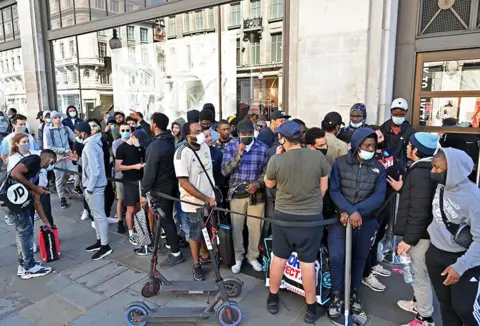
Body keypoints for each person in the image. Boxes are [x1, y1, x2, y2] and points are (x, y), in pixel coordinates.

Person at [265, 121, 330, 324]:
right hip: (311, 219)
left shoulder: (277, 159)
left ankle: (273, 298)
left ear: (283, 139)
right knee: (308, 263)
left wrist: (278, 158)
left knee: (279, 258)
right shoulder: (317, 156)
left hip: (283, 216)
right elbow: (323, 188)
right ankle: (311, 309)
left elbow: (269, 183)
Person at [328, 127, 386, 323]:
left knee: (359, 259)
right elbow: (334, 190)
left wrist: (357, 211)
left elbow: (379, 196)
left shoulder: (379, 168)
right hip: (341, 219)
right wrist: (348, 210)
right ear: (356, 145)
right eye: (367, 145)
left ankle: (353, 294)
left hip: (365, 221)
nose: (371, 149)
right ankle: (337, 295)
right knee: (337, 257)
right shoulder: (340, 164)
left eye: (373, 145)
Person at [386, 132, 439, 326]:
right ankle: (418, 303)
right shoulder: (425, 169)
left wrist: (408, 240)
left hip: (420, 236)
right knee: (419, 272)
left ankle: (425, 318)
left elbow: (419, 211)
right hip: (423, 233)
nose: (407, 147)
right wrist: (403, 188)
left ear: (417, 150)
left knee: (419, 275)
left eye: (410, 145)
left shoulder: (420, 173)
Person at [426, 148, 480, 326]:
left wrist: (460, 267)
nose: (433, 171)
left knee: (464, 309)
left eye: (437, 168)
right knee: (446, 305)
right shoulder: (441, 187)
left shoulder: (474, 198)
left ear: (454, 171)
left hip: (462, 259)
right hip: (436, 254)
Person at [222, 120, 269, 274]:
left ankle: (253, 257)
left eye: (249, 134)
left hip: (257, 195)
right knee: (237, 227)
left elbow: (267, 173)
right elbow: (224, 171)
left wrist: (257, 184)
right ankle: (238, 257)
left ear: (253, 133)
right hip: (236, 194)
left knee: (255, 228)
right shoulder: (230, 147)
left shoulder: (263, 149)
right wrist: (238, 155)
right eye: (244, 135)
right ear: (239, 134)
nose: (246, 137)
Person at [174, 121, 216, 281]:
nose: (201, 134)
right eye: (197, 132)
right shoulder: (181, 153)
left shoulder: (205, 147)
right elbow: (184, 182)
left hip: (210, 201)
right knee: (195, 234)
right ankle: (196, 265)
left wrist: (211, 197)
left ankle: (206, 254)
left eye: (201, 130)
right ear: (187, 136)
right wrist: (205, 198)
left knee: (208, 230)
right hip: (193, 203)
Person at [141, 112, 184, 264]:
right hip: (170, 185)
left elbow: (150, 171)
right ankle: (173, 245)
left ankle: (176, 252)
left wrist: (143, 191)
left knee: (166, 220)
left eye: (151, 122)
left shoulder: (156, 145)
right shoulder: (168, 140)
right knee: (167, 219)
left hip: (161, 189)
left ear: (155, 124)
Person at [8, 149, 57, 279]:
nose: (51, 166)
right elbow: (15, 173)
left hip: (17, 201)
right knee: (25, 232)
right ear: (50, 158)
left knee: (23, 231)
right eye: (53, 162)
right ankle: (28, 267)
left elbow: (37, 201)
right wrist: (35, 188)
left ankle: (24, 264)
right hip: (12, 200)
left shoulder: (35, 172)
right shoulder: (35, 159)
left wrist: (45, 220)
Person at [75, 122, 113, 260]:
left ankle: (105, 245)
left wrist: (89, 189)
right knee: (96, 216)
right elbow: (89, 166)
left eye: (77, 132)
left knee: (99, 216)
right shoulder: (91, 144)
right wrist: (78, 160)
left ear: (83, 132)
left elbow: (95, 170)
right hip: (93, 186)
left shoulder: (90, 145)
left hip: (94, 187)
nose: (76, 135)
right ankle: (100, 242)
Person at [115, 129, 147, 246]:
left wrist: (144, 165)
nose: (139, 143)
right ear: (132, 136)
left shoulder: (140, 148)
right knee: (130, 208)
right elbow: (118, 167)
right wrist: (135, 166)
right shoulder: (121, 148)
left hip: (140, 179)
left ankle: (140, 229)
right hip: (129, 181)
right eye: (138, 140)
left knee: (140, 206)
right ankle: (131, 233)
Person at [43, 111, 76, 209]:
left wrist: (74, 148)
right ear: (52, 119)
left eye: (58, 117)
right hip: (57, 157)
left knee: (77, 172)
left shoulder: (65, 128)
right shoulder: (48, 130)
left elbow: (74, 138)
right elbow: (49, 146)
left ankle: (76, 187)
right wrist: (63, 150)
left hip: (68, 155)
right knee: (59, 179)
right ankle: (62, 198)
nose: (57, 119)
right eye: (55, 117)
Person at [380, 98, 416, 173]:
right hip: (384, 168)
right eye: (395, 115)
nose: (398, 117)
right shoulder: (383, 129)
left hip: (401, 171)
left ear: (406, 113)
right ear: (391, 112)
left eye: (401, 115)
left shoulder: (410, 132)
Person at [112, 122, 131, 234]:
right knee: (121, 199)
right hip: (120, 175)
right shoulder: (116, 143)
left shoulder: (133, 141)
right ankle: (120, 220)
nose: (125, 132)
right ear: (119, 131)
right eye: (123, 130)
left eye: (127, 130)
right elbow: (119, 157)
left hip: (132, 175)